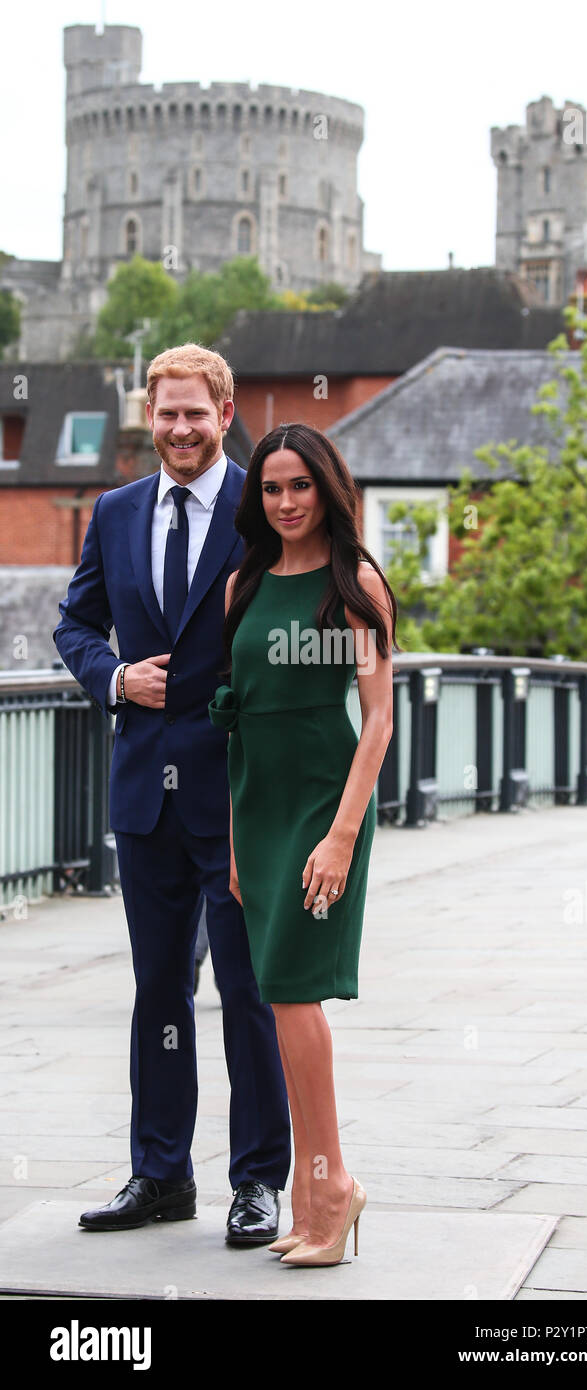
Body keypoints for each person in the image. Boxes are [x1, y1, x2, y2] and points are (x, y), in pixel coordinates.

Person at [53, 344, 291, 1244]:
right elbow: (76, 621)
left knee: (248, 988)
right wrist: (115, 678)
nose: (181, 429)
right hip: (142, 794)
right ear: (146, 419)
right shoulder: (114, 512)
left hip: (235, 791)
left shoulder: (263, 502)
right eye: (166, 414)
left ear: (224, 413)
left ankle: (258, 1180)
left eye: (196, 413)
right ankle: (160, 1175)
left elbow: (304, 614)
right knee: (158, 991)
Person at [208, 423, 396, 1267]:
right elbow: (235, 718)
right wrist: (240, 848)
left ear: (327, 489)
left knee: (291, 993)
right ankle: (316, 1192)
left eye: (300, 487)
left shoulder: (353, 580)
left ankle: (332, 1189)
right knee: (276, 995)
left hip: (324, 807)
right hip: (258, 806)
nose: (285, 502)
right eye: (272, 488)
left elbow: (379, 718)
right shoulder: (242, 581)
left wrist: (341, 838)